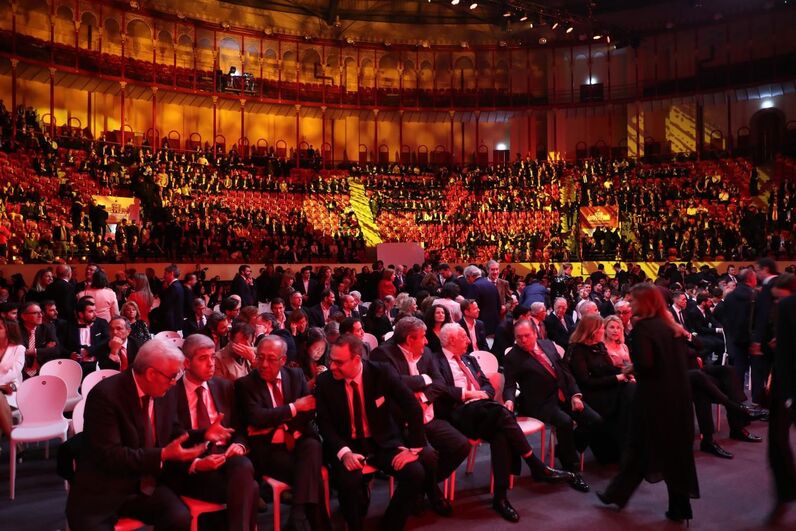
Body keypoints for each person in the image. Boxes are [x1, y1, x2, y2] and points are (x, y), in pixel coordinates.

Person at [66, 338, 230, 531]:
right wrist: (163, 454)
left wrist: (203, 434)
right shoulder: (106, 395)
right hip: (104, 488)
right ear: (151, 374)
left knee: (179, 517)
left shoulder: (163, 390)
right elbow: (110, 456)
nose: (174, 382)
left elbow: (172, 431)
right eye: (172, 376)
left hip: (145, 484)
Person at [433, 323, 573, 522]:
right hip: (458, 412)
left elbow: (487, 386)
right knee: (503, 415)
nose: (468, 340)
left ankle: (500, 497)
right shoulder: (436, 360)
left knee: (501, 433)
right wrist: (470, 394)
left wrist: (483, 393)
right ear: (450, 340)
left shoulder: (469, 359)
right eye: (464, 336)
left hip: (484, 410)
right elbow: (440, 389)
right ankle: (535, 465)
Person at [596, 284, 699, 524]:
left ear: (644, 302)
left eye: (632, 301)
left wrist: (630, 368)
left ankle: (617, 494)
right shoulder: (671, 326)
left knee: (638, 447)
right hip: (679, 397)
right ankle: (678, 507)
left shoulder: (643, 328)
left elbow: (646, 365)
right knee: (675, 453)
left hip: (654, 399)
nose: (629, 304)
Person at [314, 335, 435, 531]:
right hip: (347, 445)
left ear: (356, 359)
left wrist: (414, 448)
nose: (332, 366)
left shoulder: (381, 372)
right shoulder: (325, 382)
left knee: (415, 473)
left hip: (382, 442)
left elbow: (412, 406)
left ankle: (390, 526)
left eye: (339, 362)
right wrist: (344, 453)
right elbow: (324, 424)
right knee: (348, 482)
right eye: (331, 360)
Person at [369, 317, 467, 517]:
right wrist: (424, 378)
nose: (427, 341)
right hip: (402, 423)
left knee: (461, 445)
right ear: (409, 339)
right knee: (428, 455)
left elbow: (439, 383)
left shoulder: (427, 352)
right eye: (423, 337)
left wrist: (422, 399)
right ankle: (434, 493)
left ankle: (423, 487)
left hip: (428, 417)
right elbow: (394, 383)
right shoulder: (382, 354)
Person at [166, 334, 259, 531]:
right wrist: (197, 463)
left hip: (225, 460)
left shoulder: (224, 387)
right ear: (187, 363)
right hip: (192, 466)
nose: (211, 364)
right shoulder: (170, 394)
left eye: (212, 357)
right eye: (203, 358)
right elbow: (169, 438)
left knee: (243, 464)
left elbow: (239, 427)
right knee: (251, 487)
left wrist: (239, 445)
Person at [235, 335, 329, 531]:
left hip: (296, 440)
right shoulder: (245, 384)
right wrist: (294, 407)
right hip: (268, 449)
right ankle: (302, 519)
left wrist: (283, 428)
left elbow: (309, 410)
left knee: (312, 445)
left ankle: (297, 517)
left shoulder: (295, 375)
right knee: (313, 478)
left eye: (271, 359)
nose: (263, 364)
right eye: (260, 357)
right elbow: (257, 417)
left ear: (283, 360)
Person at [503, 319, 597, 493]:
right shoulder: (513, 357)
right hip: (540, 402)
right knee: (565, 422)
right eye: (518, 337)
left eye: (526, 336)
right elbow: (509, 385)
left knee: (594, 420)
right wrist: (509, 400)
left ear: (535, 333)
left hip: (564, 395)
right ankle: (572, 470)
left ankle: (563, 449)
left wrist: (575, 395)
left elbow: (566, 372)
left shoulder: (548, 345)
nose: (522, 340)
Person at [566, 314, 635, 464]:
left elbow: (608, 369)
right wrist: (617, 378)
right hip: (591, 393)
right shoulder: (577, 350)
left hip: (605, 387)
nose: (604, 331)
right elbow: (586, 382)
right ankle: (623, 448)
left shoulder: (599, 346)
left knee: (632, 390)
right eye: (602, 328)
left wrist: (625, 374)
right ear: (592, 331)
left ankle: (628, 447)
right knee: (629, 396)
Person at [767, 273, 796, 525]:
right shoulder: (785, 306)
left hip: (787, 386)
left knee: (778, 442)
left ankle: (786, 492)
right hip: (784, 386)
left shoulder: (786, 306)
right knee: (777, 443)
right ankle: (786, 491)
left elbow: (786, 352)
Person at [62, 297, 110, 377]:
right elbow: (60, 345)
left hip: (96, 363)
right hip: (75, 365)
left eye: (95, 311)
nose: (95, 314)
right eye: (91, 311)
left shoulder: (101, 323)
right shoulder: (68, 326)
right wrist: (70, 354)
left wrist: (89, 350)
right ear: (81, 314)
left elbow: (107, 340)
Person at [18, 301, 61, 379]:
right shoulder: (16, 330)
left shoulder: (48, 327)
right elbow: (19, 353)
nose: (40, 315)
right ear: (24, 316)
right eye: (35, 313)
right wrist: (45, 349)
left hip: (42, 368)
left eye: (41, 312)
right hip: (21, 371)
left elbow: (57, 350)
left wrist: (34, 351)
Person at [0, 319, 24, 439]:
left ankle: (13, 440)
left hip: (11, 391)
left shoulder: (18, 349)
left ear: (9, 331)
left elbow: (13, 373)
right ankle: (15, 442)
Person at [463, 265, 501, 336]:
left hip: (482, 326)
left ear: (469, 276)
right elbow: (499, 306)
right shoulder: (492, 284)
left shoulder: (474, 286)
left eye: (466, 278)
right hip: (495, 324)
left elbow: (471, 309)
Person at [158, 264, 185, 333]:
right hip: (174, 320)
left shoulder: (173, 287)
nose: (164, 276)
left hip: (170, 321)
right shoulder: (177, 285)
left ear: (171, 273)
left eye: (165, 273)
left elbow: (165, 304)